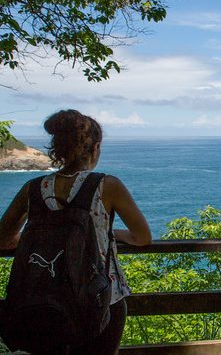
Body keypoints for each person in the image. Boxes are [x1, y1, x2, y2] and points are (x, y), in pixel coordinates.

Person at [0, 109, 152, 354]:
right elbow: (142, 237)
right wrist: (113, 234)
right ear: (96, 148)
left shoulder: (33, 188)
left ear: (58, 148)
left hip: (44, 299)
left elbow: (4, 239)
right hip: (102, 299)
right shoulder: (107, 186)